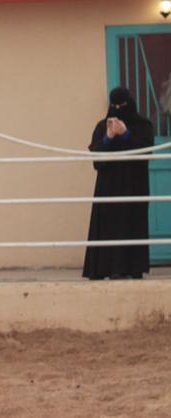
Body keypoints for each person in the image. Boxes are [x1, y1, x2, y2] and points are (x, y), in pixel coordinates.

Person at [83, 86, 154, 280]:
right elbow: (96, 155)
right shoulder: (102, 126)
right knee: (107, 225)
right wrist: (109, 137)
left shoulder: (143, 125)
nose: (117, 109)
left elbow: (146, 151)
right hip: (108, 186)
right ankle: (103, 268)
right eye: (113, 105)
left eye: (121, 105)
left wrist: (126, 134)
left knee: (131, 222)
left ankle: (130, 268)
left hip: (134, 185)